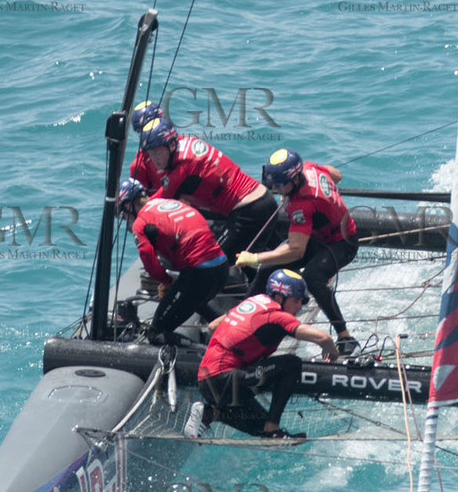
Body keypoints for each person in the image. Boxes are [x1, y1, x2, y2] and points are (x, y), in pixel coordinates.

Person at [236, 148, 360, 355]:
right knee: (268, 270)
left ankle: (344, 335)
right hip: (322, 235)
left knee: (313, 277)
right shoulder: (310, 168)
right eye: (272, 183)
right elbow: (335, 174)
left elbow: (296, 250)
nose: (274, 189)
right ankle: (243, 316)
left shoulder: (302, 206)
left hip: (343, 244)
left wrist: (254, 258)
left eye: (278, 185)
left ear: (294, 180)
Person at [194, 270, 339, 440]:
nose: (300, 307)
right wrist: (331, 350)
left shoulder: (253, 302)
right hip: (224, 380)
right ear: (278, 298)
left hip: (208, 381)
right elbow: (323, 337)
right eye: (296, 301)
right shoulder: (277, 316)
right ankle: (273, 429)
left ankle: (210, 413)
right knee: (291, 364)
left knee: (259, 426)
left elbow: (213, 326)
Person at [134, 117, 282, 263]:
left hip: (249, 211)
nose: (153, 159)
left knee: (214, 262)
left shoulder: (183, 170)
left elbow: (152, 207)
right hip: (262, 200)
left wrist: (129, 204)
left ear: (171, 145)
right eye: (149, 152)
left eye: (156, 151)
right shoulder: (184, 141)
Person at [118, 177, 228, 346]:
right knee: (192, 300)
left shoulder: (141, 223)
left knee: (156, 333)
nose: (125, 218)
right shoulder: (166, 203)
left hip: (199, 273)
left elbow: (150, 263)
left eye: (124, 213)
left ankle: (206, 356)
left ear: (128, 205)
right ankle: (233, 334)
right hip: (221, 267)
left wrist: (167, 282)